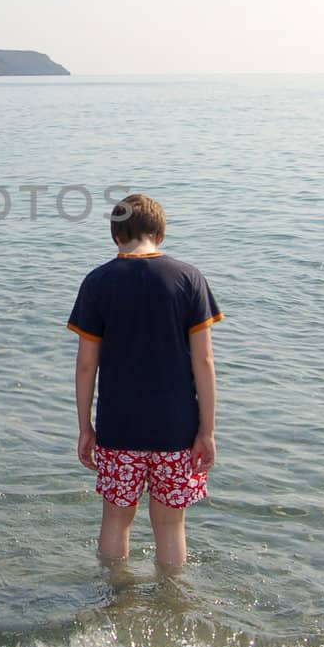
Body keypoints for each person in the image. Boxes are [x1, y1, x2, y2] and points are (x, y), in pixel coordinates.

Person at [67, 193, 222, 568]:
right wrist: (208, 430)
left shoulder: (98, 282)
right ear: (160, 234)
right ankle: (173, 605)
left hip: (118, 426)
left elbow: (87, 365)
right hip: (176, 428)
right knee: (170, 525)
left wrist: (85, 426)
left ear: (116, 235)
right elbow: (203, 361)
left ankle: (114, 601)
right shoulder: (188, 278)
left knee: (116, 520)